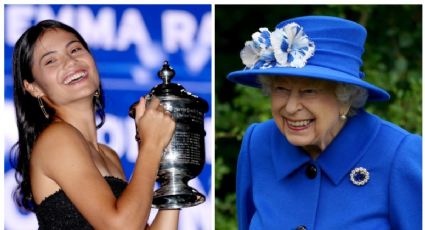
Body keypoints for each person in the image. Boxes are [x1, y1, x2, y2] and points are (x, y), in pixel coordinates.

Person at [227, 15, 421, 229]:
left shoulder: (399, 155)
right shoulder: (258, 143)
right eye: (281, 88)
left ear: (345, 97)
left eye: (309, 91)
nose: (291, 107)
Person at [10, 19, 179, 229]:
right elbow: (120, 227)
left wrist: (174, 176)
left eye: (75, 49)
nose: (70, 61)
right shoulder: (57, 138)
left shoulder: (109, 156)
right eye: (50, 61)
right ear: (34, 88)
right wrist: (151, 145)